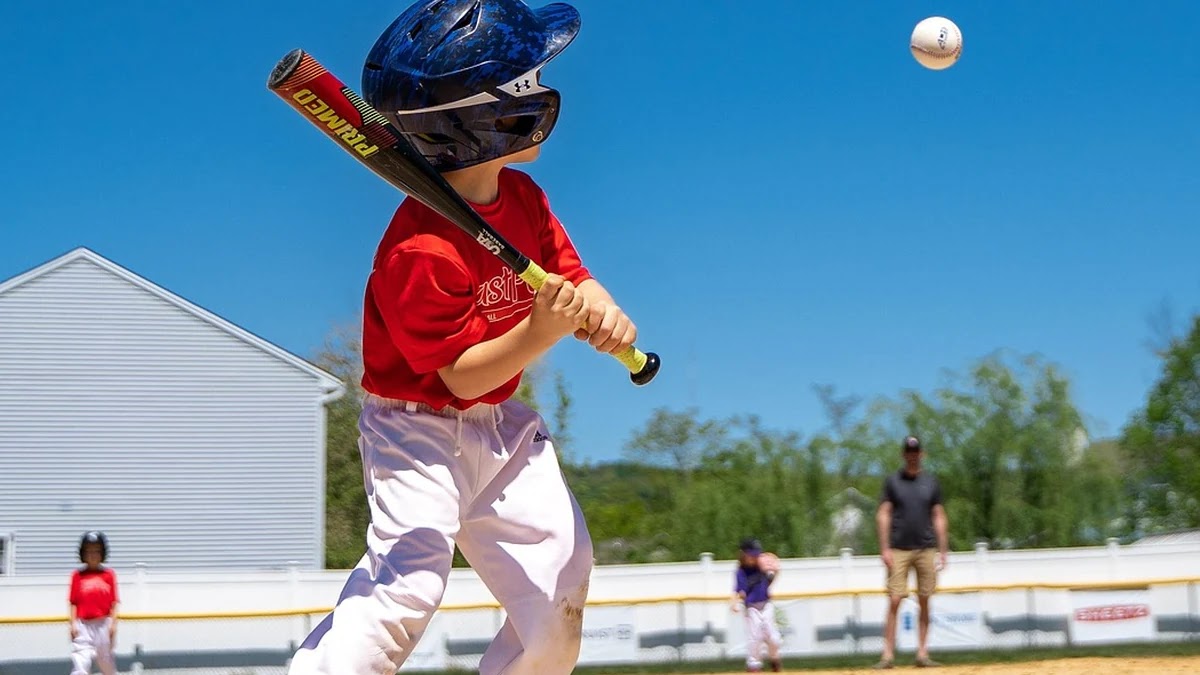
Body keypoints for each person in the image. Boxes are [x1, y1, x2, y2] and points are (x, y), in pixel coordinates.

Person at [287, 1, 640, 674]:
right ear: (478, 119)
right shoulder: (418, 248)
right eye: (524, 86)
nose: (539, 92)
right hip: (415, 434)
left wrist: (603, 310)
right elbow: (461, 375)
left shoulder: (524, 199)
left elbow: (575, 278)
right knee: (409, 584)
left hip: (501, 429)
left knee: (563, 575)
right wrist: (541, 330)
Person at [874, 435, 949, 669]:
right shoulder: (893, 482)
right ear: (903, 454)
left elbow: (938, 516)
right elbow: (883, 513)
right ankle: (887, 655)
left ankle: (922, 653)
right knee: (895, 599)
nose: (912, 455)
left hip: (926, 548)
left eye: (915, 451)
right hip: (898, 548)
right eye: (908, 451)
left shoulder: (931, 483)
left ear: (921, 454)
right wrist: (884, 547)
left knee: (925, 599)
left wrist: (943, 549)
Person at [69, 531, 119, 675]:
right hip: (83, 624)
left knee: (105, 661)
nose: (92, 555)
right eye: (88, 551)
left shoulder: (108, 575)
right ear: (82, 554)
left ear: (103, 553)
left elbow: (114, 602)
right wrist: (72, 623)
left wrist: (113, 624)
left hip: (103, 623)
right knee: (80, 659)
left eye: (97, 551)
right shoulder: (77, 576)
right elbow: (73, 602)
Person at [731, 538, 782, 673]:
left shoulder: (761, 566)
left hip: (766, 605)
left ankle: (774, 658)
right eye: (751, 554)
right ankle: (753, 665)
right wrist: (734, 603)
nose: (754, 556)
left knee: (773, 637)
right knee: (755, 637)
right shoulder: (741, 572)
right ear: (744, 554)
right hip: (751, 607)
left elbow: (770, 578)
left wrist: (776, 570)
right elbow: (738, 590)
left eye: (756, 553)